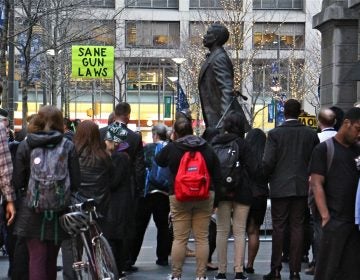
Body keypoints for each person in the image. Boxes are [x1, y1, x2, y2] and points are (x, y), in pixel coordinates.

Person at [13, 105, 80, 280]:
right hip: (59, 208)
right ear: (60, 123)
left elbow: (18, 180)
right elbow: (76, 180)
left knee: (36, 258)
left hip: (32, 209)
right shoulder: (68, 145)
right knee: (51, 259)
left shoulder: (26, 144)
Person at [156, 117, 222, 280]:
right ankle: (201, 275)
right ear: (192, 131)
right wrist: (217, 200)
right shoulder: (206, 147)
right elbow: (218, 173)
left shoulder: (173, 147)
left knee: (180, 238)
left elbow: (159, 161)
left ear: (175, 133)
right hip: (204, 195)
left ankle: (177, 275)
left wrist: (172, 141)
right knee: (202, 238)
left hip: (179, 195)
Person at [262, 99, 319, 280]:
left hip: (280, 186)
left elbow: (268, 162)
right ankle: (295, 271)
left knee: (279, 228)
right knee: (298, 227)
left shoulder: (275, 134)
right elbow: (316, 161)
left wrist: (267, 177)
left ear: (284, 113)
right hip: (301, 187)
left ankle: (276, 269)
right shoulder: (310, 134)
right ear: (300, 113)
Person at [309, 107, 360, 280]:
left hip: (355, 223)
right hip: (334, 222)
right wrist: (325, 216)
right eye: (358, 129)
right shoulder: (324, 149)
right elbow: (316, 183)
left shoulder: (358, 150)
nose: (359, 134)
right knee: (328, 272)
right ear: (347, 123)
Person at [211, 112, 257, 280]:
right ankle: (238, 271)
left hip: (222, 191)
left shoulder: (215, 143)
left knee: (221, 231)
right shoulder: (243, 144)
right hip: (242, 191)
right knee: (239, 231)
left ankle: (221, 272)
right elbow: (254, 168)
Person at [131, 124, 171, 267]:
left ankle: (131, 259)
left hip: (147, 192)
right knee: (163, 227)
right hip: (164, 193)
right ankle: (163, 258)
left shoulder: (147, 149)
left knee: (139, 227)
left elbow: (140, 168)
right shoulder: (170, 149)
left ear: (155, 135)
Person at [113, 102, 145, 272]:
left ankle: (108, 258)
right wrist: (139, 189)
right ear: (128, 115)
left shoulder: (103, 133)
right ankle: (123, 261)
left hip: (107, 188)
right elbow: (140, 167)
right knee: (126, 225)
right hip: (128, 187)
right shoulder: (134, 137)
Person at [305, 107, 338, 275]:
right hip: (338, 192)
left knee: (318, 228)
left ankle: (318, 262)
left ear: (319, 122)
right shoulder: (341, 140)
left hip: (319, 191)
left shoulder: (316, 139)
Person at [198, 23, 249, 130]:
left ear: (215, 38)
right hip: (215, 121)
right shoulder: (213, 57)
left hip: (220, 122)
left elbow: (226, 89)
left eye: (208, 33)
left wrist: (224, 122)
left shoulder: (219, 58)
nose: (205, 36)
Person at [103, 122, 133, 279]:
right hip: (122, 201)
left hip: (117, 202)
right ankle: (117, 269)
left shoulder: (118, 158)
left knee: (115, 236)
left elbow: (113, 182)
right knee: (118, 237)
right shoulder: (123, 156)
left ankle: (116, 269)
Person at [244, 128, 268, 274]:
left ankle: (238, 265)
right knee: (254, 231)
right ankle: (250, 264)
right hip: (260, 195)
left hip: (244, 195)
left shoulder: (244, 154)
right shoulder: (266, 156)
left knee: (240, 231)